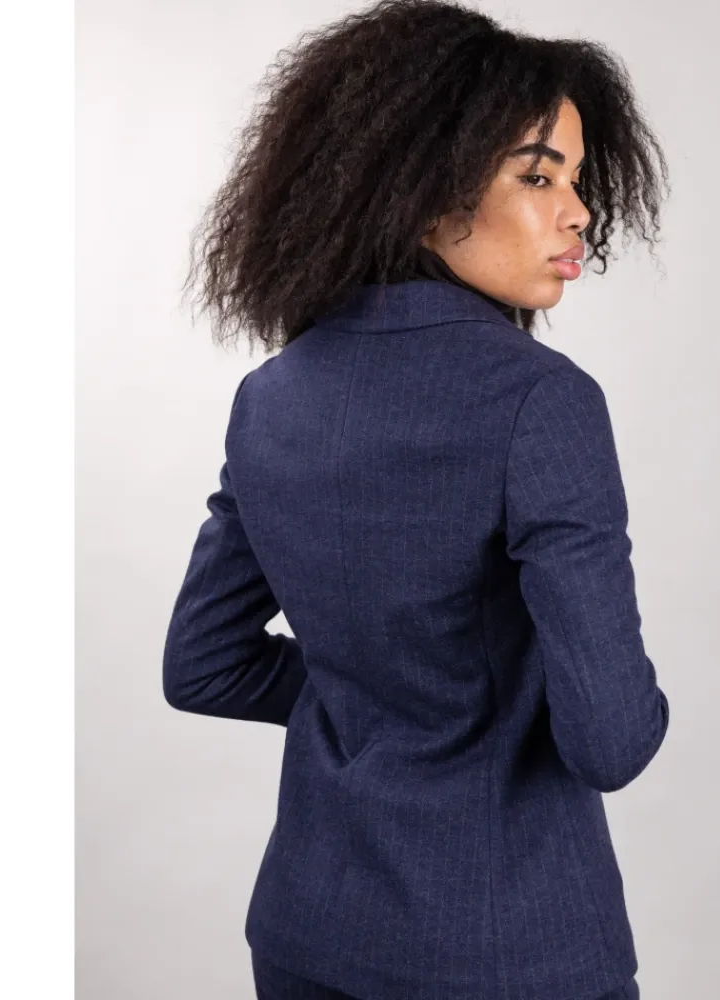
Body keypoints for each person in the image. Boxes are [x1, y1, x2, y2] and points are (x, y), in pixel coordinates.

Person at [163, 1, 671, 997]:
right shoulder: (542, 403)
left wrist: (383, 700)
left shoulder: (271, 397)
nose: (578, 211)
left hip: (307, 937)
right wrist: (472, 709)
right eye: (537, 176)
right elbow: (611, 739)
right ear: (426, 195)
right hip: (508, 954)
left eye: (576, 179)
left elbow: (205, 666)